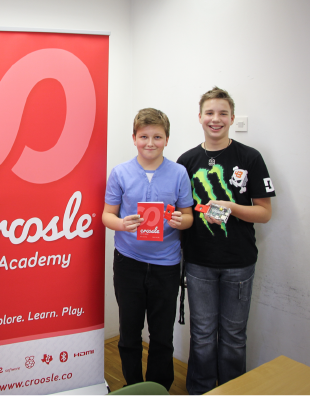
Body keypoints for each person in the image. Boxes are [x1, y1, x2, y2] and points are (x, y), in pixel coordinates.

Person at [177, 87, 275, 396]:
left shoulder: (250, 157)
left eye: (222, 113)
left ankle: (234, 391)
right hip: (198, 262)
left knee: (234, 336)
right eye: (209, 113)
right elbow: (182, 212)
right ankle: (200, 391)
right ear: (199, 117)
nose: (215, 119)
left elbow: (264, 213)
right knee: (202, 334)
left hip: (239, 263)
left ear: (232, 118)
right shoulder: (186, 161)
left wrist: (231, 207)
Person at [102, 108, 194, 390]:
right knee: (129, 334)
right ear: (134, 138)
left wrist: (181, 221)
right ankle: (133, 388)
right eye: (144, 136)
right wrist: (121, 224)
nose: (150, 143)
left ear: (167, 139)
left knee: (162, 336)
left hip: (166, 266)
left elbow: (188, 216)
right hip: (128, 263)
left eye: (157, 137)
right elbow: (107, 215)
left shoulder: (179, 173)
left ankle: (158, 389)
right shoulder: (120, 172)